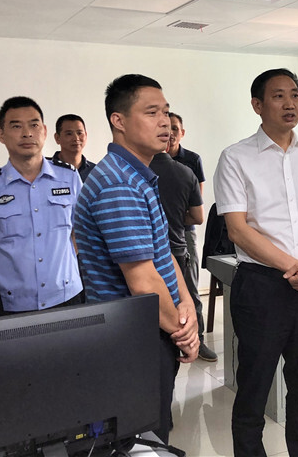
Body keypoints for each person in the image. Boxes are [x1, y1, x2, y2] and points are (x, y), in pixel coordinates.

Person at [213, 68, 298, 457]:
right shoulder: (235, 157)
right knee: (254, 388)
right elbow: (238, 230)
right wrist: (295, 268)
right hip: (261, 288)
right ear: (258, 105)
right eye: (279, 95)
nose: (290, 103)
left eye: (295, 94)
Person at [73, 74, 198, 444]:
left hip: (152, 327)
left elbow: (163, 254)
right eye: (151, 112)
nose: (164, 122)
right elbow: (142, 282)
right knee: (140, 440)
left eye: (166, 112)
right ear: (119, 121)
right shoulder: (118, 185)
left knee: (153, 431)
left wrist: (187, 305)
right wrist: (183, 332)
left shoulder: (138, 175)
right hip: (132, 338)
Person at [0, 96, 84, 313]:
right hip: (12, 304)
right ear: (1, 135)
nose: (27, 133)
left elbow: (81, 230)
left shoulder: (69, 177)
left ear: (44, 131)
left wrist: (65, 263)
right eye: (16, 126)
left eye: (34, 125)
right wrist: (8, 279)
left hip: (67, 297)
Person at [149, 148, 213, 362]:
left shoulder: (137, 172)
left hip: (149, 251)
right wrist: (175, 218)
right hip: (177, 246)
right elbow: (198, 217)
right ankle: (194, 341)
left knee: (151, 302)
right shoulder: (186, 173)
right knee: (188, 296)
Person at [167, 112, 216, 361]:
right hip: (157, 234)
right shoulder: (148, 158)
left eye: (175, 128)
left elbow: (196, 207)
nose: (171, 133)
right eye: (167, 128)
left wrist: (174, 218)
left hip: (184, 231)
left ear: (182, 132)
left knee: (190, 287)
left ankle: (199, 340)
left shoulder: (192, 160)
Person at [52, 114, 96, 182]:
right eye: (69, 134)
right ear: (57, 138)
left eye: (79, 133)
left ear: (86, 135)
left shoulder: (96, 172)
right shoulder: (45, 169)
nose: (76, 138)